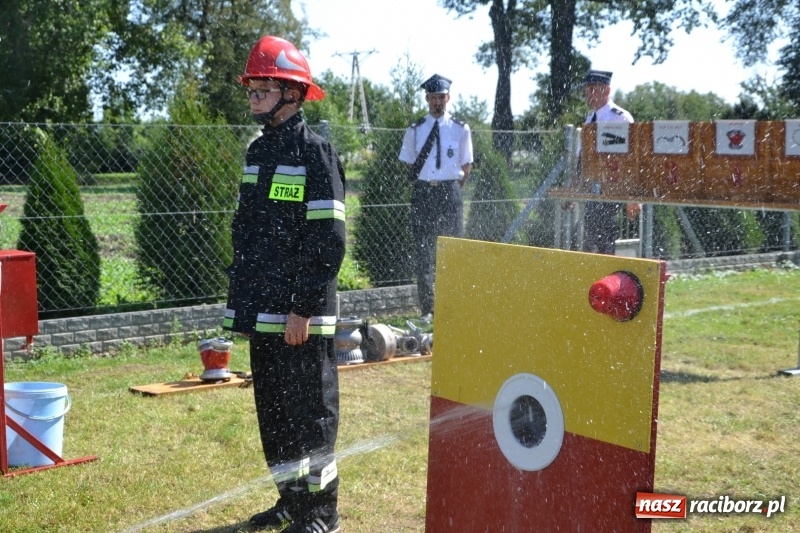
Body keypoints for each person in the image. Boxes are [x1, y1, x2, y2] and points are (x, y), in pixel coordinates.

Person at [222, 35, 345, 533]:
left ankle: (322, 514)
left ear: (292, 94)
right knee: (274, 416)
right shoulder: (257, 154)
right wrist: (246, 308)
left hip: (301, 317)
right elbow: (247, 232)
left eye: (261, 90)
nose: (253, 100)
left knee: (310, 414)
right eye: (250, 91)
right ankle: (291, 501)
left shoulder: (316, 153)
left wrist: (303, 307)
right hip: (265, 313)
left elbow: (328, 239)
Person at [398, 74, 473, 322]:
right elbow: (409, 165)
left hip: (450, 193)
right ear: (427, 99)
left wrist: (448, 186)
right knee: (424, 252)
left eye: (441, 97)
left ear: (448, 98)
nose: (437, 102)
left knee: (452, 251)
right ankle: (428, 310)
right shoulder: (416, 130)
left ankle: (452, 307)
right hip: (424, 193)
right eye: (433, 98)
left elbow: (466, 165)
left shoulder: (460, 129)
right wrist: (429, 183)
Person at [580, 69, 639, 255]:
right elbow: (581, 158)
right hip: (592, 189)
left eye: (593, 90)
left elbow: (632, 158)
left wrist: (633, 196)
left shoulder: (620, 117)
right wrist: (576, 185)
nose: (588, 95)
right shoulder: (590, 119)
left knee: (605, 240)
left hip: (613, 188)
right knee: (589, 240)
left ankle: (608, 281)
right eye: (587, 90)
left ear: (606, 90)